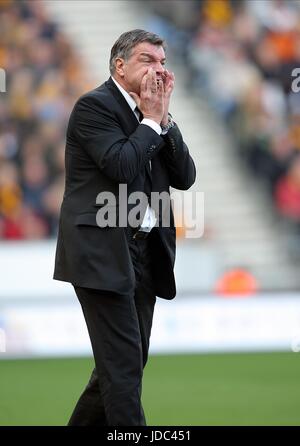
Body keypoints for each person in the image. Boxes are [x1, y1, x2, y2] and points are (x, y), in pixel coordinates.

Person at [53, 29, 196, 426]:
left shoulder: (153, 114)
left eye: (163, 62)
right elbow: (120, 166)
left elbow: (185, 176)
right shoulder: (93, 107)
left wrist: (163, 120)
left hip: (144, 253)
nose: (159, 70)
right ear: (120, 65)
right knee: (124, 370)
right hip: (102, 254)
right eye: (148, 60)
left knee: (122, 366)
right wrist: (150, 121)